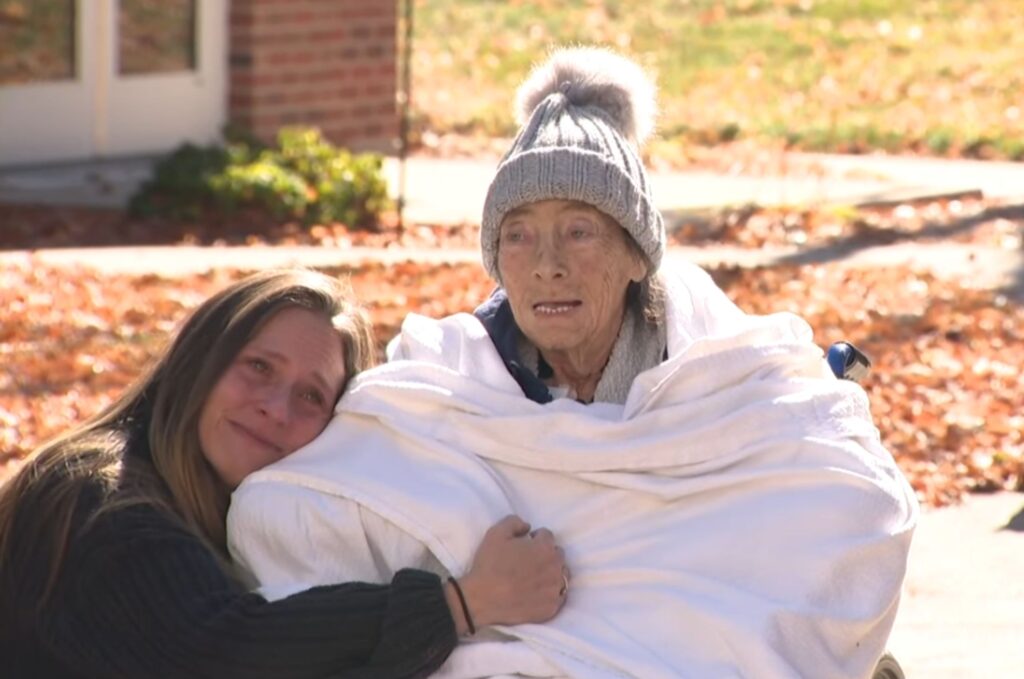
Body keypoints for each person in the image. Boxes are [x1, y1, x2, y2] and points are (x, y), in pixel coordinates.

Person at [228, 49, 918, 678]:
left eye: (579, 230)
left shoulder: (724, 370)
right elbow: (302, 508)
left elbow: (852, 501)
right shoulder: (445, 382)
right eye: (519, 236)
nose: (547, 265)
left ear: (635, 256)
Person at [0, 269, 568, 678]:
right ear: (199, 362)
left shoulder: (227, 514)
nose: (276, 407)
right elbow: (227, 649)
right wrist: (462, 604)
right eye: (258, 367)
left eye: (311, 396)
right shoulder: (97, 502)